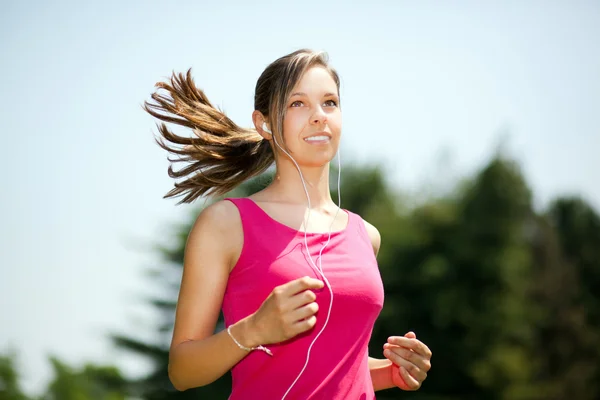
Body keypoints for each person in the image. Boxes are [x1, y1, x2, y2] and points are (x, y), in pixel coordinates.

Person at [144, 49, 432, 399]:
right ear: (264, 123)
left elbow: (337, 369)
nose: (318, 117)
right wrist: (254, 330)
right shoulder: (226, 223)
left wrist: (393, 372)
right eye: (298, 104)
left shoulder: (365, 236)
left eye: (329, 103)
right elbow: (182, 371)